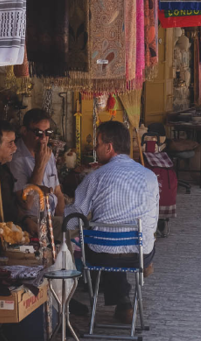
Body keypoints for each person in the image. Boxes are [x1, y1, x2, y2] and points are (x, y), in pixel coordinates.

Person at [65, 121, 159, 324]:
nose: (95, 149)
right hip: (140, 254)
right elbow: (153, 219)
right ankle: (126, 299)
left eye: (98, 144)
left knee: (103, 242)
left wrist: (59, 215)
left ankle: (120, 301)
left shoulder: (95, 177)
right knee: (116, 240)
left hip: (101, 255)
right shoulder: (149, 176)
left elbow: (74, 219)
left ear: (109, 147)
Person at [9, 109, 65, 237]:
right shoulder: (16, 158)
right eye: (38, 132)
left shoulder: (47, 153)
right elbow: (27, 203)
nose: (44, 138)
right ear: (24, 131)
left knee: (83, 223)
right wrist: (40, 164)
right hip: (32, 219)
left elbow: (58, 193)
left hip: (51, 217)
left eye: (48, 132)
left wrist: (61, 220)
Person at [0, 121, 20, 223]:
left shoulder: (4, 169)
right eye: (9, 143)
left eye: (14, 142)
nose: (15, 147)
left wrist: (25, 220)